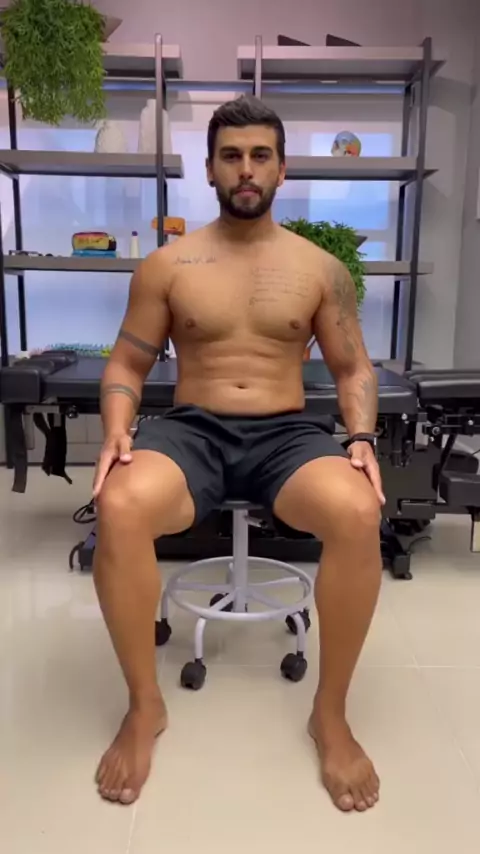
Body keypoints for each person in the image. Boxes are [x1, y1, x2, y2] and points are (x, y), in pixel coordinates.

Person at [92, 95, 384, 812]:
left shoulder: (320, 269)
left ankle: (331, 715)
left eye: (259, 156)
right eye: (231, 156)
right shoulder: (169, 265)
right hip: (192, 430)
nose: (245, 169)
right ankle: (144, 706)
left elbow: (353, 368)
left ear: (282, 170)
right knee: (119, 503)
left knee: (357, 510)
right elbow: (127, 363)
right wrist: (118, 426)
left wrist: (361, 437)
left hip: (284, 434)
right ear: (209, 169)